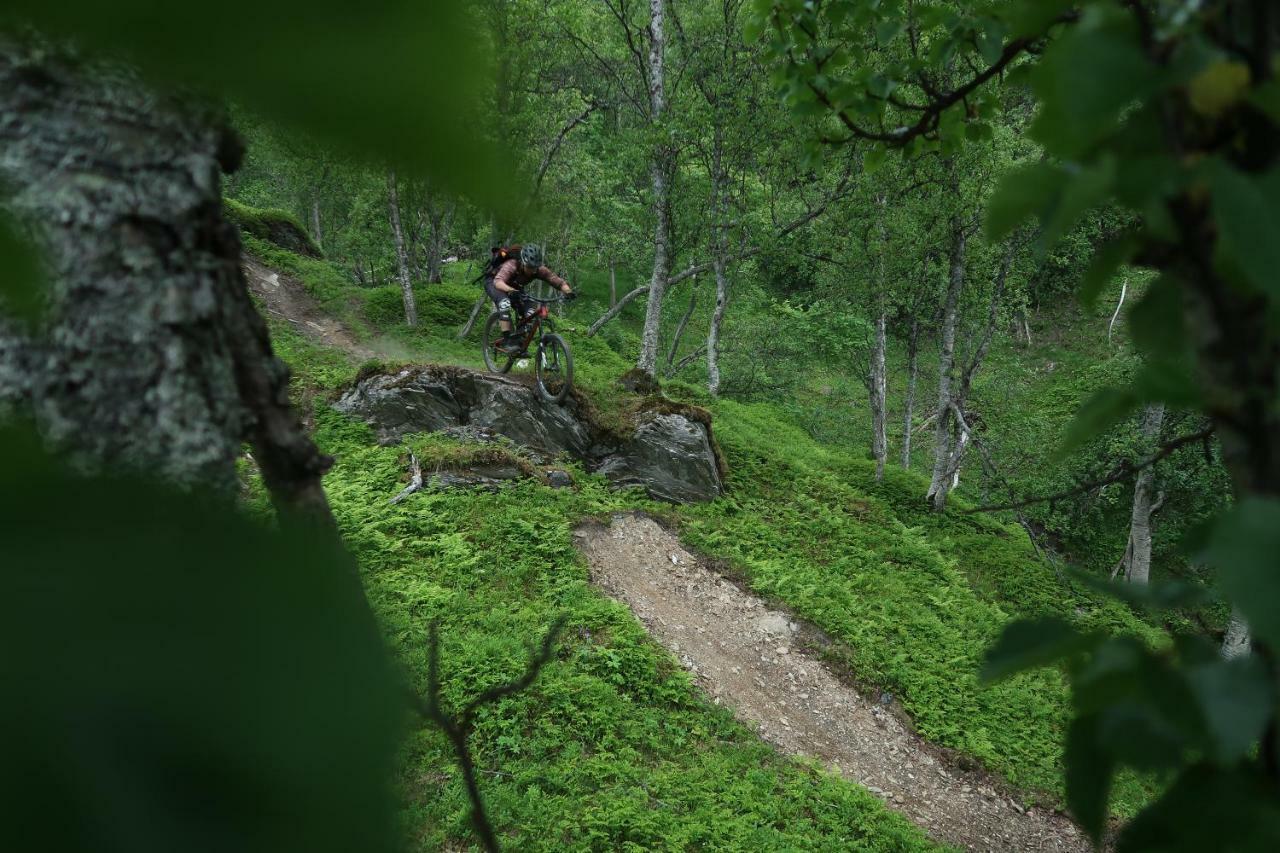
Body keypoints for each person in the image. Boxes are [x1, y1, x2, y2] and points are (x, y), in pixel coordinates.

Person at [484, 244, 575, 353]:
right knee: (505, 302)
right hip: (494, 282)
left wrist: (568, 291)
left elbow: (556, 281)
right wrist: (510, 290)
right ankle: (508, 341)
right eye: (529, 267)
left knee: (530, 311)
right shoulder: (512, 265)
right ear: (523, 262)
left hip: (514, 286)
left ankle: (520, 341)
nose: (532, 270)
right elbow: (498, 282)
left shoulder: (538, 269)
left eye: (535, 268)